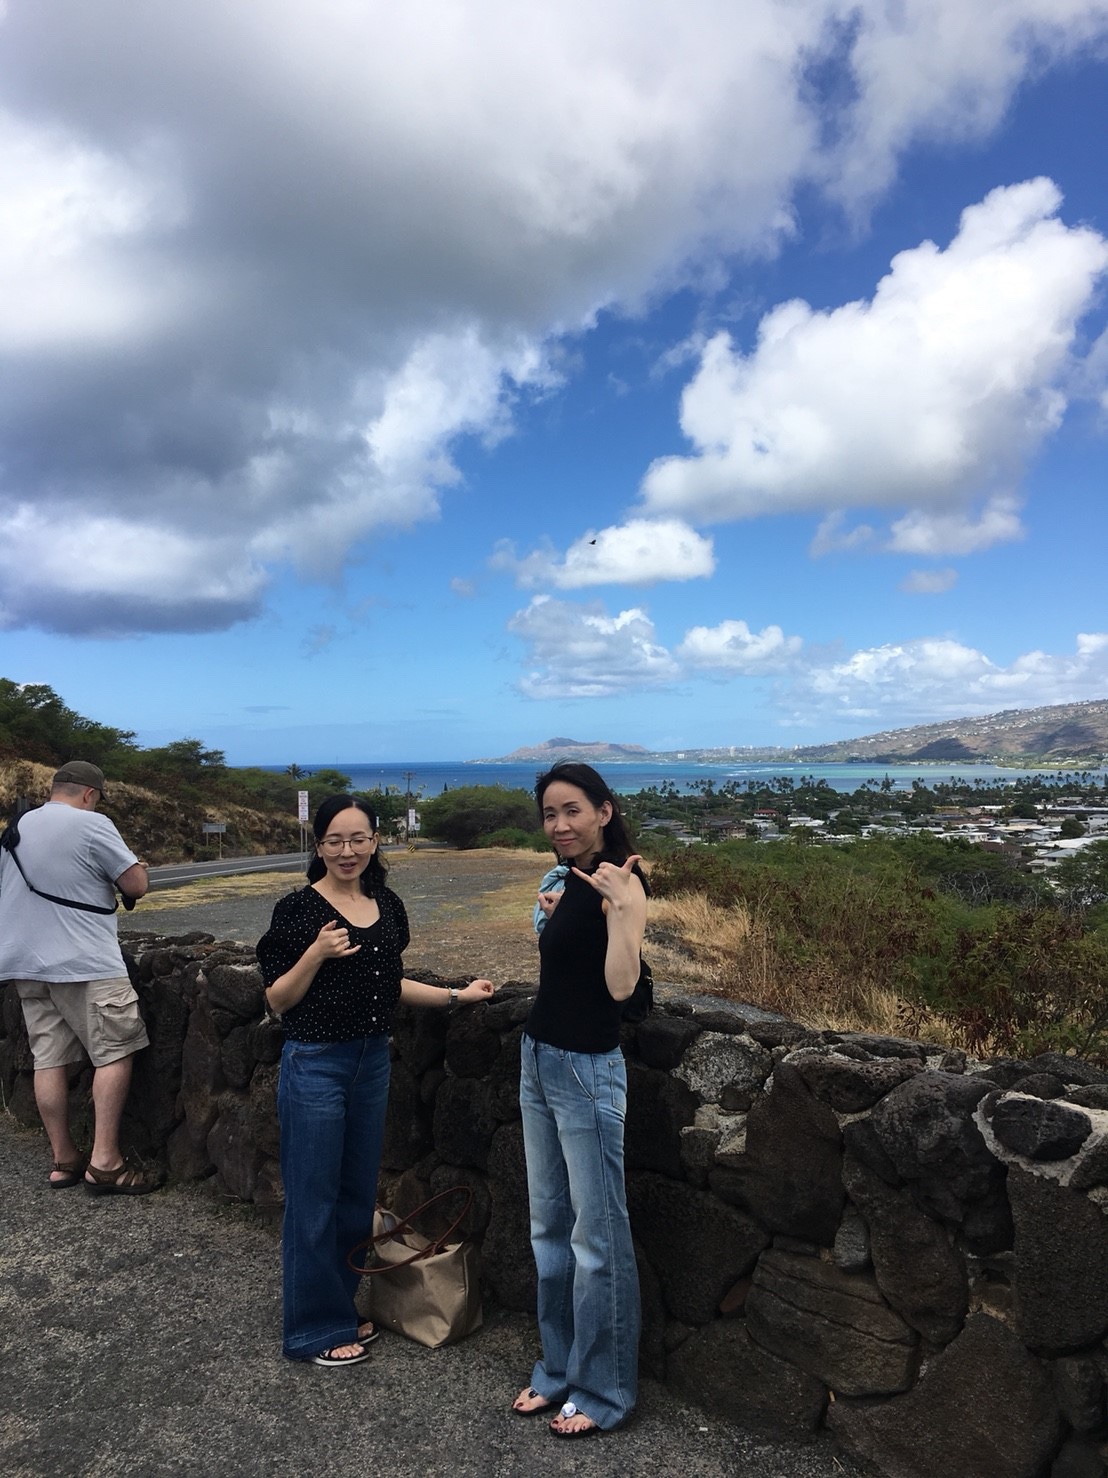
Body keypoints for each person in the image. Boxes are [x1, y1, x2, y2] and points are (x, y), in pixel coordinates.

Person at [256, 794, 494, 1368]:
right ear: (318, 846)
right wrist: (316, 952)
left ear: (375, 840)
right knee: (313, 1198)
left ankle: (339, 1306)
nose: (348, 850)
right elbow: (277, 998)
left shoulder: (386, 904)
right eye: (335, 840)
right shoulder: (297, 910)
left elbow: (390, 983)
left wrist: (456, 996)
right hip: (316, 1062)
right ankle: (313, 1329)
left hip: (372, 1062)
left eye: (358, 838)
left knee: (356, 1195)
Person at [512, 762, 648, 1438]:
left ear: (603, 810)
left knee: (597, 1238)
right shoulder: (566, 879)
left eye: (572, 810)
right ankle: (559, 1366)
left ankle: (604, 1389)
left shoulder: (622, 881)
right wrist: (551, 916)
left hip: (588, 1069)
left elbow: (622, 989)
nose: (560, 824)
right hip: (539, 1058)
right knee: (549, 1228)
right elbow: (565, 967)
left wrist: (622, 911)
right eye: (549, 813)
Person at [0, 760, 158, 1194]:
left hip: (26, 963)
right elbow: (136, 885)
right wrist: (135, 865)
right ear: (90, 794)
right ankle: (105, 1162)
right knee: (115, 1050)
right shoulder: (93, 824)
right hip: (84, 961)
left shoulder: (17, 827)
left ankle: (64, 1158)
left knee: (48, 1059)